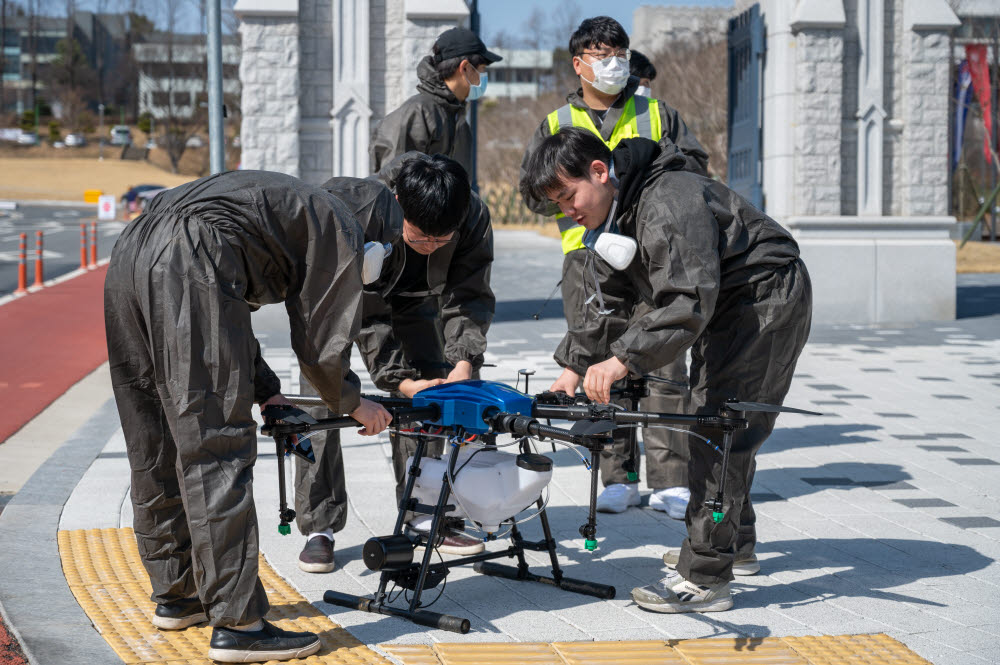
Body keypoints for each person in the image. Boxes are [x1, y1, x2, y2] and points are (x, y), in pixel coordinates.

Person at [104, 170, 395, 662]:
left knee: (154, 438)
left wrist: (267, 392)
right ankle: (239, 624)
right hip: (188, 254)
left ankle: (178, 595)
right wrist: (352, 402)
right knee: (215, 446)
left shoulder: (296, 205)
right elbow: (321, 345)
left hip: (132, 249)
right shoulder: (342, 226)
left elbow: (221, 311)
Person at [520, 128, 812, 613]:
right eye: (557, 204)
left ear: (599, 171)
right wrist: (571, 371)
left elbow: (685, 300)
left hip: (764, 300)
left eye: (569, 196)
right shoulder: (619, 211)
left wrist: (622, 360)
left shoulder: (667, 199)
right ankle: (730, 545)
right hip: (731, 305)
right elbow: (609, 303)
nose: (567, 211)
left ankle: (704, 577)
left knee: (719, 429)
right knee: (718, 425)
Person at [519, 16, 708, 518]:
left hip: (652, 252)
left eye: (620, 54)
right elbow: (533, 194)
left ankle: (670, 478)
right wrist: (570, 195)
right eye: (602, 56)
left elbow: (693, 170)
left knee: (665, 359)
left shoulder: (657, 112)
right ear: (579, 64)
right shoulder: (556, 124)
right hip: (586, 259)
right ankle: (617, 473)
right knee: (604, 357)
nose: (614, 64)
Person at [292, 153, 495, 572]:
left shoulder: (472, 214)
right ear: (400, 203)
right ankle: (319, 526)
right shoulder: (357, 209)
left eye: (443, 241)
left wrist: (463, 363)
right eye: (422, 238)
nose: (432, 247)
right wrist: (396, 382)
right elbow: (366, 315)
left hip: (417, 301)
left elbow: (469, 294)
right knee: (321, 394)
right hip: (341, 301)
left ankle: (423, 513)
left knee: (434, 395)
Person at [370, 27, 502, 174]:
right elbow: (395, 185)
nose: (483, 76)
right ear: (465, 68)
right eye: (482, 69)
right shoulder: (418, 113)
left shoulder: (458, 117)